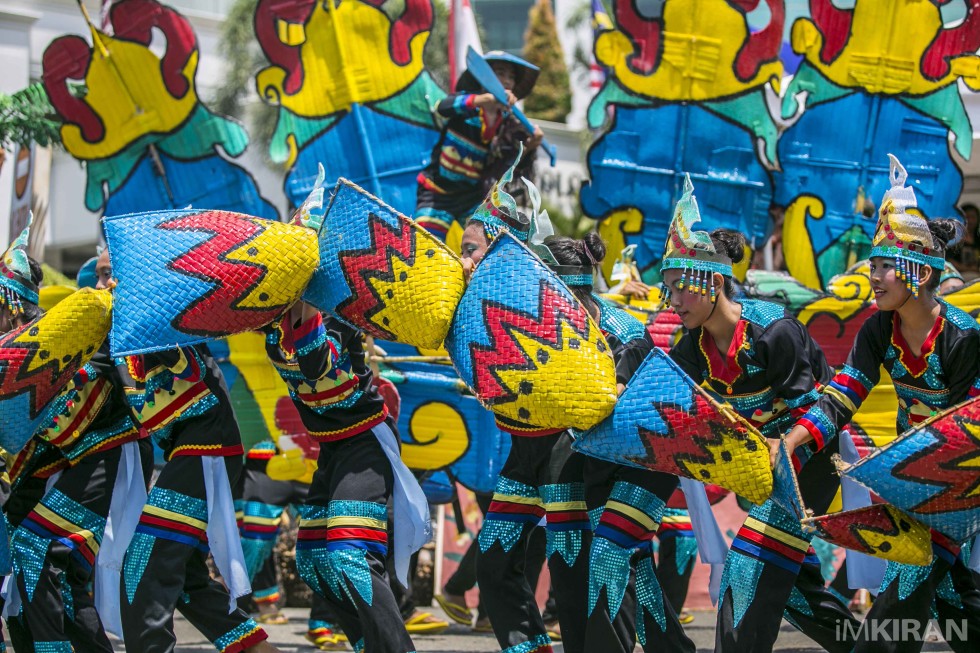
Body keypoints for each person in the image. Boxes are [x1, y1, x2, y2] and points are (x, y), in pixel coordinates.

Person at [783, 155, 980, 653]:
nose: (873, 276)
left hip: (959, 483)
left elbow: (964, 430)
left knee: (903, 595)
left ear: (917, 271)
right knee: (957, 603)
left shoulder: (963, 338)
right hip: (912, 480)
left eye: (884, 266)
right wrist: (793, 439)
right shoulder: (878, 330)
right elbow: (846, 391)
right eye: (873, 265)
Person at [661, 176, 859, 653]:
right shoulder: (691, 348)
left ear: (711, 282)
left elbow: (814, 411)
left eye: (680, 289)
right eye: (668, 290)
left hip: (811, 456)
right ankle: (870, 646)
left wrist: (782, 446)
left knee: (747, 569)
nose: (673, 301)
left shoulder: (775, 331)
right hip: (765, 468)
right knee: (790, 587)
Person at [92, 245, 280, 653]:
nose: (104, 283)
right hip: (191, 453)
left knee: (144, 565)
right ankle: (257, 648)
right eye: (100, 275)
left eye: (112, 273)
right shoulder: (121, 331)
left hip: (206, 450)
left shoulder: (161, 314)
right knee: (188, 581)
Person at [4, 240, 152, 653]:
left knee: (37, 549)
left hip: (111, 452)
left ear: (11, 302)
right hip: (65, 464)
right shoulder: (12, 351)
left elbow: (132, 394)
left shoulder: (65, 332)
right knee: (43, 564)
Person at [262, 298, 429, 653]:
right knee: (314, 560)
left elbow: (315, 363)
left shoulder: (336, 315)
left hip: (365, 440)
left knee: (349, 555)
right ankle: (370, 644)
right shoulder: (275, 322)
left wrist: (308, 302)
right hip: (333, 450)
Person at [414, 51, 544, 241]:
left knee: (487, 243)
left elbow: (507, 168)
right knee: (424, 244)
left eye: (511, 77)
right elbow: (443, 107)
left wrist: (531, 146)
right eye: (500, 73)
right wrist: (482, 100)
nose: (507, 80)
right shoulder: (467, 104)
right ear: (484, 77)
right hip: (437, 192)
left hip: (472, 197)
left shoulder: (510, 124)